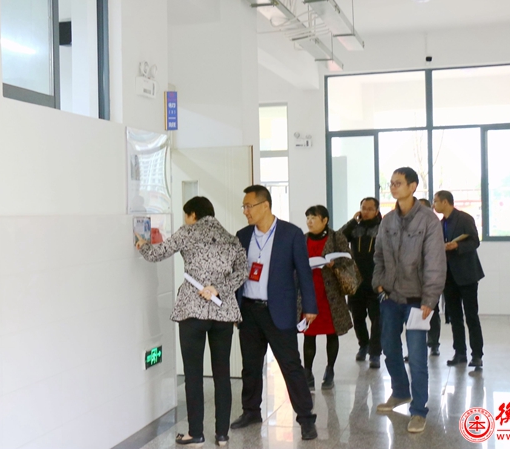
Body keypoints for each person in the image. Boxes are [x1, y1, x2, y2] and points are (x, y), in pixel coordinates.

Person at [137, 196, 247, 447]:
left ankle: (195, 433)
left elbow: (156, 253)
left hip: (192, 311)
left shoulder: (187, 232)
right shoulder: (231, 239)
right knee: (222, 374)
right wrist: (218, 288)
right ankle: (222, 434)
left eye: (186, 215)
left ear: (193, 215)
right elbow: (243, 271)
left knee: (194, 374)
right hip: (222, 313)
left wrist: (142, 244)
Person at [231, 185, 319, 440]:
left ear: (265, 205)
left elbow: (304, 272)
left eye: (249, 206)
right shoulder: (243, 235)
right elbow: (236, 273)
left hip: (278, 310)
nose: (246, 211)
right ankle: (251, 411)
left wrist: (310, 307)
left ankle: (306, 419)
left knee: (291, 366)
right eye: (244, 207)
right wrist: (234, 308)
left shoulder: (291, 234)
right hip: (249, 310)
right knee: (250, 366)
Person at [372, 167, 446, 434]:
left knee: (416, 357)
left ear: (413, 186)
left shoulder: (428, 220)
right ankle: (401, 392)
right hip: (391, 297)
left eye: (398, 183)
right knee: (389, 349)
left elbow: (435, 262)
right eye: (391, 183)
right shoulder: (388, 220)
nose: (393, 187)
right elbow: (378, 255)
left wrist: (430, 298)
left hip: (417, 301)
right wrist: (379, 283)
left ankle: (418, 410)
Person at [303, 205, 353, 391]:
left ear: (325, 220)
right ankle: (307, 373)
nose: (309, 221)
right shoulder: (303, 239)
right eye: (308, 218)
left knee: (331, 332)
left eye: (313, 218)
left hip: (330, 293)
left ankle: (330, 369)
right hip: (310, 293)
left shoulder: (336, 237)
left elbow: (348, 259)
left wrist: (334, 264)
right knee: (309, 333)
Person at [433, 190, 485, 368]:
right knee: (455, 317)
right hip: (449, 277)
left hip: (467, 275)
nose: (434, 205)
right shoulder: (441, 224)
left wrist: (456, 245)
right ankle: (460, 353)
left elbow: (474, 242)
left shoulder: (464, 218)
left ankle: (477, 354)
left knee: (471, 316)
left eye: (436, 201)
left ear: (445, 202)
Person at [339, 197, 383, 368]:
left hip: (375, 280)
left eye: (370, 209)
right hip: (355, 281)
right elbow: (338, 238)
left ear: (377, 211)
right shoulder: (355, 228)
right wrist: (352, 221)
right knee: (357, 317)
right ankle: (363, 345)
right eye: (363, 208)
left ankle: (375, 353)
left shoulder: (382, 228)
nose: (366, 212)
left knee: (377, 319)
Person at [419, 198, 442, 356]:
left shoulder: (435, 226)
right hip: (412, 278)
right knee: (414, 312)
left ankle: (433, 343)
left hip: (431, 276)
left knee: (432, 310)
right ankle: (416, 348)